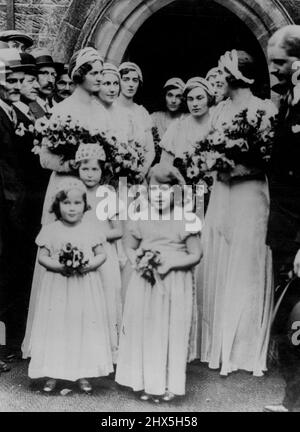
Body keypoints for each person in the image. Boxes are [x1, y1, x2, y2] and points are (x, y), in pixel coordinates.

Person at [21, 47, 110, 359]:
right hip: (68, 189)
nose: (100, 78)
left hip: (96, 190)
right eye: (96, 73)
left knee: (93, 252)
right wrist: (78, 164)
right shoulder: (63, 109)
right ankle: (56, 347)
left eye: (102, 72)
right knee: (62, 251)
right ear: (80, 75)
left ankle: (91, 350)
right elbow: (46, 157)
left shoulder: (103, 110)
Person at [201, 50, 275, 377]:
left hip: (249, 194)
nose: (217, 80)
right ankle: (217, 346)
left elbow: (269, 158)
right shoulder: (218, 112)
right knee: (220, 254)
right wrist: (215, 163)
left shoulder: (263, 109)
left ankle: (244, 348)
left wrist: (236, 166)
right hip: (222, 192)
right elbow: (207, 151)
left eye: (221, 73)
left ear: (234, 76)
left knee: (246, 262)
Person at [115, 165, 202, 402]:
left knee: (171, 331)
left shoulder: (185, 218)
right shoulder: (141, 217)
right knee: (147, 330)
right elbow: (130, 247)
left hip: (174, 283)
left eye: (165, 190)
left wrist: (172, 264)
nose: (159, 195)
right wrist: (139, 263)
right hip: (146, 282)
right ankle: (145, 381)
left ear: (176, 191)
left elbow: (195, 254)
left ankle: (169, 384)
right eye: (154, 190)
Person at [27, 177, 113, 393]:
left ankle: (83, 372)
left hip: (83, 285)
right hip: (57, 286)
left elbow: (102, 255)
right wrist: (57, 266)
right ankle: (52, 372)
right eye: (66, 203)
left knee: (82, 325)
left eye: (77, 203)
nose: (72, 208)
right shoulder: (51, 229)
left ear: (85, 205)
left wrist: (87, 265)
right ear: (57, 206)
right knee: (57, 327)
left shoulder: (91, 229)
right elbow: (43, 257)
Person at [264, 25, 300, 413]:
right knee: (288, 318)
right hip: (285, 229)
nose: (273, 69)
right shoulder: (288, 101)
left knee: (296, 319)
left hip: (298, 233)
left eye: (280, 62)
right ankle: (293, 400)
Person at [76, 143, 123, 364]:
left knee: (106, 298)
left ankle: (108, 353)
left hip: (104, 254)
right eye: (85, 169)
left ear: (102, 170)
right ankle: (85, 352)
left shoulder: (107, 194)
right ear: (77, 169)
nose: (90, 174)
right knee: (83, 300)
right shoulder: (74, 194)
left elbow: (119, 230)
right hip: (81, 254)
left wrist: (98, 237)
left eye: (95, 169)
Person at [0, 48, 33, 364]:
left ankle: (7, 345)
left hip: (15, 208)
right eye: (9, 78)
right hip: (4, 207)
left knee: (10, 276)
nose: (14, 84)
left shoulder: (9, 112)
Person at [160, 77, 214, 165]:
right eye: (190, 99)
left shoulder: (217, 125)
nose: (195, 104)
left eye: (199, 98)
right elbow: (164, 167)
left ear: (209, 99)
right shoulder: (176, 128)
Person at [117, 61, 155, 176]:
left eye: (135, 80)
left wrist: (142, 172)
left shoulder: (142, 113)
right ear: (118, 82)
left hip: (138, 173)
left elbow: (150, 150)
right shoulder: (110, 108)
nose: (131, 84)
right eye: (126, 79)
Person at [29, 48, 63, 118]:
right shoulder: (27, 107)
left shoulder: (52, 105)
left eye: (53, 74)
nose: (50, 80)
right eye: (44, 73)